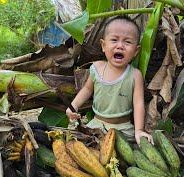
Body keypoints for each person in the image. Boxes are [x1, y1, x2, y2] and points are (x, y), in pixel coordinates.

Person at [66, 15, 153, 144]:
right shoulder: (96, 68)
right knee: (82, 146)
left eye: (127, 42)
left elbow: (138, 104)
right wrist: (73, 106)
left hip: (124, 129)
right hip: (96, 125)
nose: (120, 46)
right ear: (103, 45)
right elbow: (87, 89)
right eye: (114, 40)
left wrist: (139, 130)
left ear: (136, 51)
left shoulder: (135, 75)